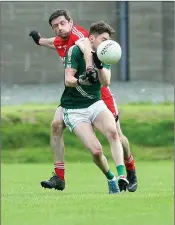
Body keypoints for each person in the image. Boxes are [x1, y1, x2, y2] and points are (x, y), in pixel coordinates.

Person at [29, 9, 137, 192]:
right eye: (55, 26)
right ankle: (59, 176)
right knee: (56, 125)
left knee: (116, 136)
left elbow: (86, 46)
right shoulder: (60, 40)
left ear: (71, 23)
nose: (59, 28)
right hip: (76, 92)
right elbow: (52, 42)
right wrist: (39, 40)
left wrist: (89, 67)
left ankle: (130, 170)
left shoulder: (79, 35)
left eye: (62, 23)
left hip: (99, 93)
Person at [61, 20, 129, 194]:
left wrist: (99, 66)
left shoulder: (104, 55)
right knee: (97, 151)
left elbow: (106, 82)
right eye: (103, 39)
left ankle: (122, 176)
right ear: (91, 38)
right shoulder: (75, 51)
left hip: (95, 103)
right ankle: (110, 177)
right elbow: (68, 80)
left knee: (113, 132)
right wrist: (81, 80)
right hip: (74, 109)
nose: (106, 43)